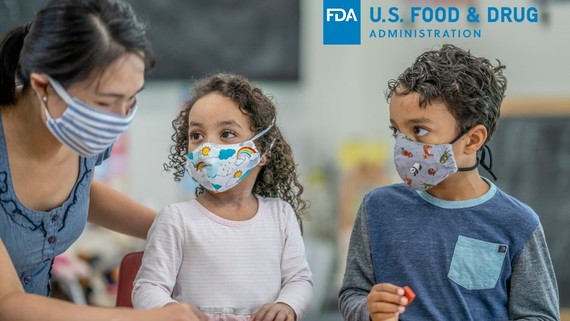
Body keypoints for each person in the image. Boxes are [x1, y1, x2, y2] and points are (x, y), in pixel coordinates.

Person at [0, 0, 199, 320]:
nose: (119, 118)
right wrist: (152, 318)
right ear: (44, 87)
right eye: (106, 102)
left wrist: (171, 229)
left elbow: (78, 192)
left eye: (131, 98)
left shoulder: (77, 131)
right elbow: (7, 302)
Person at [338, 44, 560, 321]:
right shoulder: (378, 208)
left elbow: (539, 316)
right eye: (397, 130)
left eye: (419, 130)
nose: (403, 145)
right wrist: (369, 310)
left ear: (473, 139)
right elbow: (352, 294)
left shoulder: (517, 223)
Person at [132, 73, 314, 321]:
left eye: (227, 134)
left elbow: (299, 279)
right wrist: (169, 311)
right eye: (196, 135)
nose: (208, 148)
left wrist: (286, 305)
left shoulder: (280, 215)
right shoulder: (176, 219)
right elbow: (148, 287)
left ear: (263, 151)